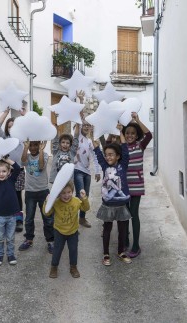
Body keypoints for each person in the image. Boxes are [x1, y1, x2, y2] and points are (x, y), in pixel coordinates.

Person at [93, 127, 132, 266]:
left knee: (123, 230)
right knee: (107, 230)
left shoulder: (123, 165)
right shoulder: (104, 166)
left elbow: (125, 149)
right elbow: (97, 151)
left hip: (121, 204)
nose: (108, 157)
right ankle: (106, 253)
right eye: (107, 154)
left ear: (118, 156)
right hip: (108, 204)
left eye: (111, 154)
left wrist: (121, 132)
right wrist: (93, 136)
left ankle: (121, 251)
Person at [42, 181, 90, 278]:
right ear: (59, 193)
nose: (66, 195)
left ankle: (73, 267)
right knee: (57, 250)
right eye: (63, 193)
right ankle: (54, 267)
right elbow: (46, 213)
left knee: (73, 250)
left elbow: (85, 208)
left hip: (73, 231)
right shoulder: (56, 202)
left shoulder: (76, 200)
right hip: (59, 231)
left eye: (69, 192)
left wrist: (84, 198)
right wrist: (47, 201)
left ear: (72, 191)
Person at [121, 112, 152, 258]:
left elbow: (149, 135)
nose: (130, 135)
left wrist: (137, 120)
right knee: (125, 215)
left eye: (133, 133)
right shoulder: (122, 148)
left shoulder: (140, 146)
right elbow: (107, 146)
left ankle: (136, 245)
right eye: (127, 133)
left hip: (136, 186)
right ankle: (125, 241)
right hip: (124, 187)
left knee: (134, 214)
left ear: (136, 134)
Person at [18, 140, 55, 254]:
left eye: (36, 145)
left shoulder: (43, 155)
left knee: (47, 218)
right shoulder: (27, 156)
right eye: (31, 145)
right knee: (29, 218)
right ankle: (29, 239)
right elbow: (23, 161)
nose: (33, 147)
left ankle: (50, 240)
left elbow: (40, 167)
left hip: (43, 191)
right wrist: (25, 147)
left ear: (39, 145)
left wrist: (42, 150)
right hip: (30, 192)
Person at [0, 103, 27, 232]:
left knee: (18, 196)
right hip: (6, 172)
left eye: (14, 126)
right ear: (7, 129)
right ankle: (7, 218)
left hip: (18, 172)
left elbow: (28, 127)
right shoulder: (5, 139)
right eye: (9, 127)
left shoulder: (22, 139)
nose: (11, 128)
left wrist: (24, 116)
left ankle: (19, 220)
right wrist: (6, 113)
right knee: (7, 195)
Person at [73, 90, 101, 228]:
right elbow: (80, 118)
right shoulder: (78, 137)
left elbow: (95, 156)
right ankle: (74, 219)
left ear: (91, 128)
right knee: (80, 195)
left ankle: (82, 218)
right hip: (77, 170)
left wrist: (97, 171)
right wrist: (81, 100)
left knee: (86, 196)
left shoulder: (90, 141)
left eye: (88, 126)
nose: (86, 127)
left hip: (87, 172)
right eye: (84, 125)